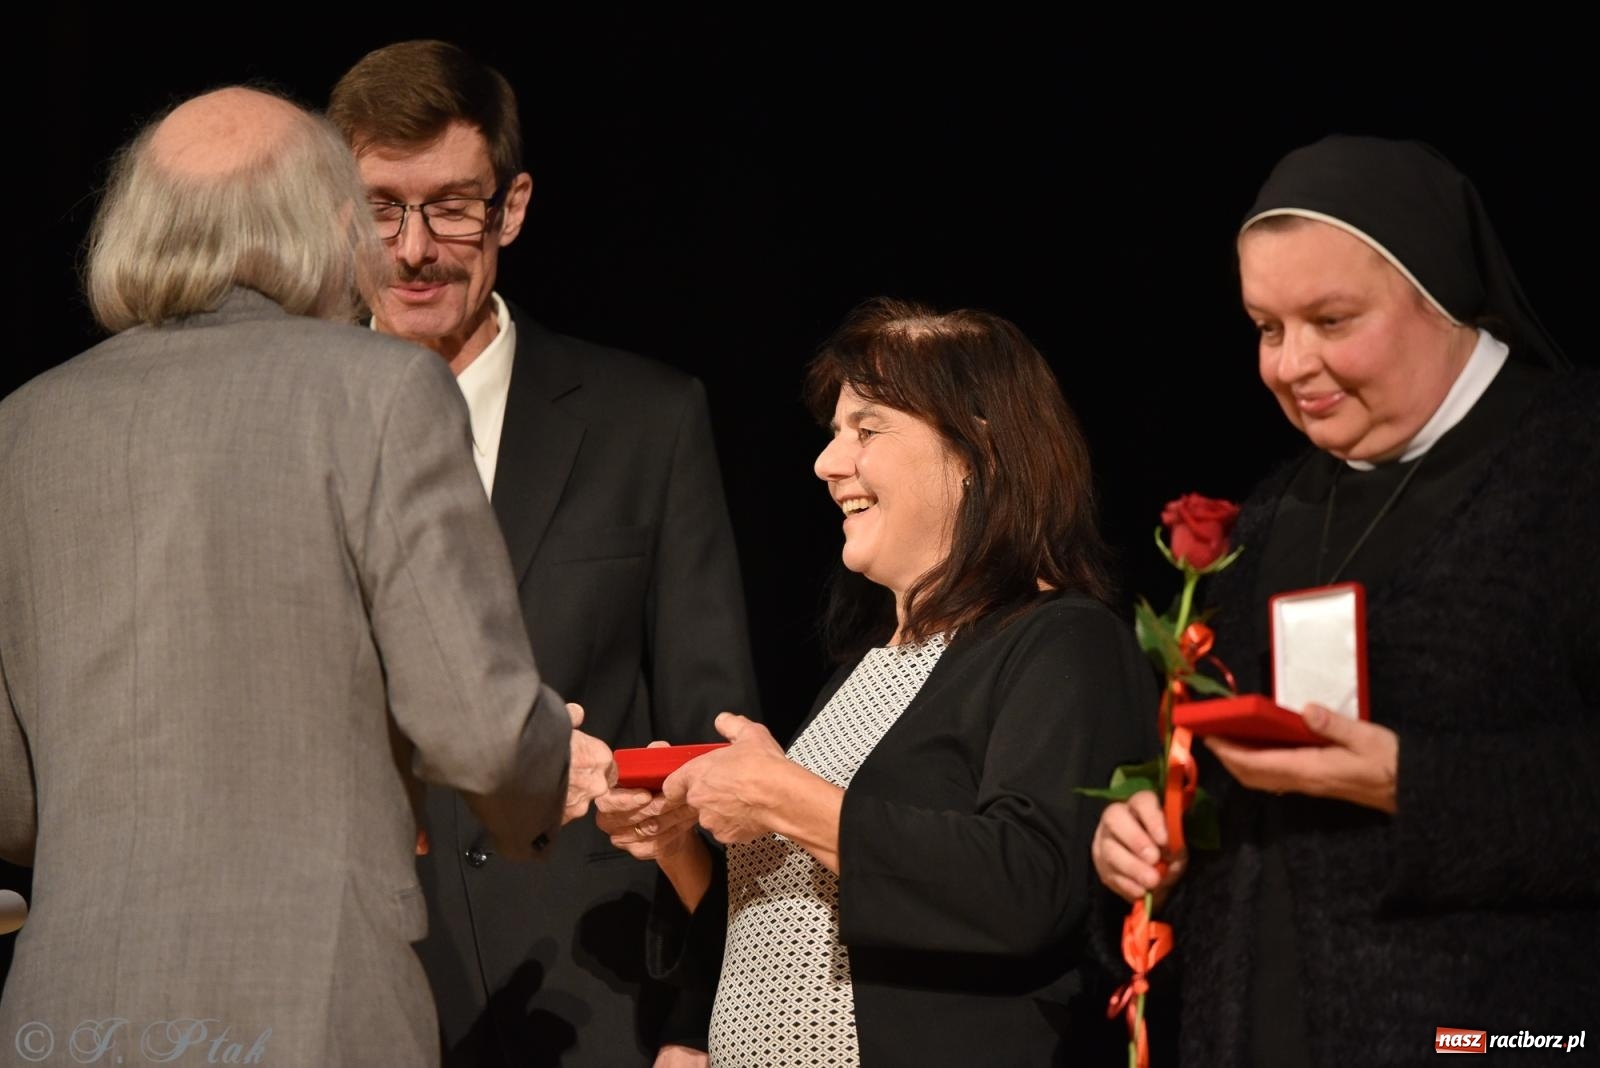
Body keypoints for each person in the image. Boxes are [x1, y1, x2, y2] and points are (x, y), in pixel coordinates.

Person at [0, 87, 615, 1067]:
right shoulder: (380, 390)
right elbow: (483, 734)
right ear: (320, 223)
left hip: (66, 1011)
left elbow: (14, 803)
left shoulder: (21, 428)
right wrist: (543, 769)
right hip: (313, 1009)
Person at [1091, 135, 1600, 1065]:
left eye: (1331, 320)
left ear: (1442, 294)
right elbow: (1209, 794)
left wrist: (1414, 785)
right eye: (1267, 328)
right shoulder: (1268, 517)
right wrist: (1144, 838)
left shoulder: (1574, 464)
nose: (1290, 366)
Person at [327, 40, 759, 1067]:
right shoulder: (284, 428)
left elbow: (715, 750)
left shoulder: (644, 422)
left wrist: (700, 1021)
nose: (414, 248)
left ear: (511, 208)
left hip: (597, 993)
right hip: (351, 985)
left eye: (452, 207)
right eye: (381, 207)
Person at [598, 298, 1156, 1065]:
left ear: (977, 452)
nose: (828, 463)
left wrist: (780, 795)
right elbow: (784, 929)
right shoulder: (865, 669)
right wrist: (680, 849)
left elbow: (1032, 886)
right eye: (833, 433)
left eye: (867, 429)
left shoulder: (1062, 642)